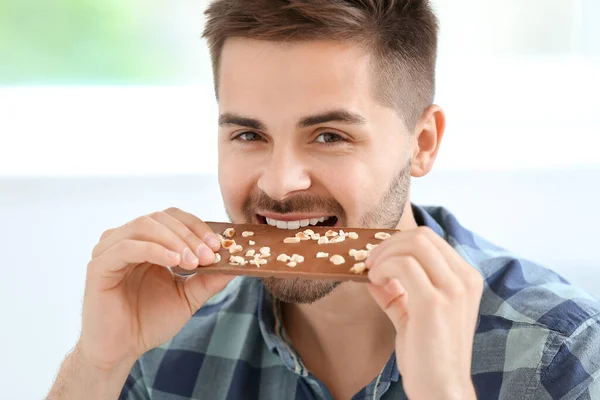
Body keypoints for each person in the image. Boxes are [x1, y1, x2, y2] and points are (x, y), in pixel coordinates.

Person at [48, 1, 600, 399]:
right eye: (248, 135)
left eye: (330, 135)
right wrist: (98, 365)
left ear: (422, 144)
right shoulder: (164, 350)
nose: (280, 182)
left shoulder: (564, 356)